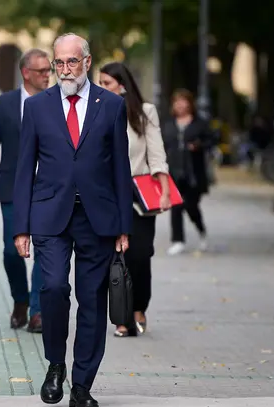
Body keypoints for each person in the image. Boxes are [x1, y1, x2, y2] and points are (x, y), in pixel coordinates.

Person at [13, 33, 132, 407]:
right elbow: (23, 169)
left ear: (87, 62)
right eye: (59, 62)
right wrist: (21, 226)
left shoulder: (111, 105)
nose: (64, 69)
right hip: (49, 214)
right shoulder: (37, 107)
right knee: (51, 288)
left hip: (98, 218)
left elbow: (120, 169)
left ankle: (82, 383)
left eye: (71, 62)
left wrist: (124, 225)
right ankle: (55, 365)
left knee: (92, 301)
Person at [99, 62, 171, 337]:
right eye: (101, 83)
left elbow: (157, 153)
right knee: (115, 259)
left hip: (139, 195)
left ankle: (139, 306)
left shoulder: (144, 112)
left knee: (140, 256)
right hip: (107, 194)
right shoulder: (99, 110)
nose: (102, 88)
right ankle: (121, 317)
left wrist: (164, 191)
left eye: (107, 83)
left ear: (122, 84)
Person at [0, 48, 50, 333]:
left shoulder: (57, 102)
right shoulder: (3, 104)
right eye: (42, 71)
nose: (48, 76)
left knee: (45, 251)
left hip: (49, 189)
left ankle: (38, 311)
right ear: (26, 73)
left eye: (49, 70)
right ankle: (20, 300)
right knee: (12, 252)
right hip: (12, 189)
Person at [161, 89, 212, 255]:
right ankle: (178, 240)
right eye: (177, 101)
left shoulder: (200, 123)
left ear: (190, 104)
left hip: (193, 173)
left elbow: (210, 140)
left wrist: (198, 145)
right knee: (176, 205)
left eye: (183, 101)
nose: (180, 105)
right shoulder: (168, 124)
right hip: (174, 171)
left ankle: (201, 230)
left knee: (191, 205)